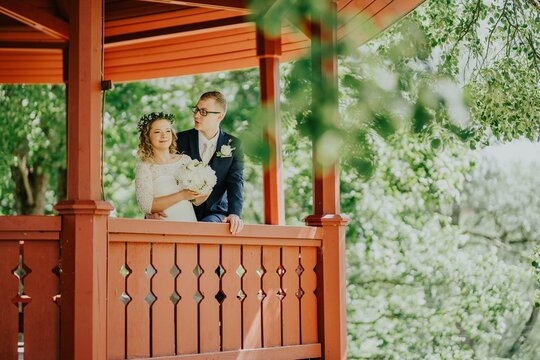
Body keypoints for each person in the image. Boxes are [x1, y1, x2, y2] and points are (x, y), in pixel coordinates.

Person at [177, 91, 244, 234]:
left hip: (215, 213)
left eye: (203, 112)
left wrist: (235, 213)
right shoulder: (179, 140)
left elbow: (236, 182)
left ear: (220, 116)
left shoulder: (234, 145)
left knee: (204, 230)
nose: (196, 115)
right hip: (181, 210)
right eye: (196, 110)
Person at [135, 112, 206, 222]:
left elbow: (196, 201)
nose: (164, 135)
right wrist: (182, 195)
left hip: (188, 222)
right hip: (162, 227)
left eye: (168, 131)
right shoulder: (145, 166)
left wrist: (206, 188)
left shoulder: (185, 160)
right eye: (157, 132)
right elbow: (146, 205)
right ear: (147, 136)